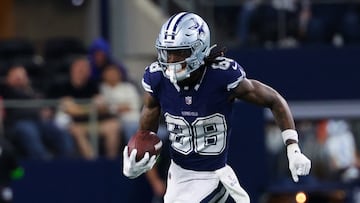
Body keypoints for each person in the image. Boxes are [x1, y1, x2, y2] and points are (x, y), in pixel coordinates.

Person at [122, 12, 311, 203]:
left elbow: (274, 100)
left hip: (213, 176)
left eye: (179, 53)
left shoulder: (221, 76)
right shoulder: (157, 79)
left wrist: (292, 147)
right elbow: (146, 134)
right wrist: (137, 160)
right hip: (178, 176)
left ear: (198, 49)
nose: (171, 60)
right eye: (167, 52)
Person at [47, 56, 121, 160]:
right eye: (79, 68)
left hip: (93, 122)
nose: (82, 70)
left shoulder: (93, 86)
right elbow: (71, 110)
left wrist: (80, 109)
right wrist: (90, 108)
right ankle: (92, 162)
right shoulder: (62, 86)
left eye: (86, 68)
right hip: (74, 124)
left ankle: (110, 162)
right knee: (77, 130)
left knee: (113, 126)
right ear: (72, 69)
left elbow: (102, 107)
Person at [1, 65, 74, 160]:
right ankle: (44, 164)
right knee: (29, 132)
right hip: (17, 123)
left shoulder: (32, 91)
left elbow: (44, 103)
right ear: (8, 78)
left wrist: (46, 110)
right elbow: (15, 111)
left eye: (22, 76)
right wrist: (37, 111)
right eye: (16, 76)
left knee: (59, 131)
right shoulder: (5, 90)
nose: (19, 79)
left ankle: (67, 162)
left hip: (39, 121)